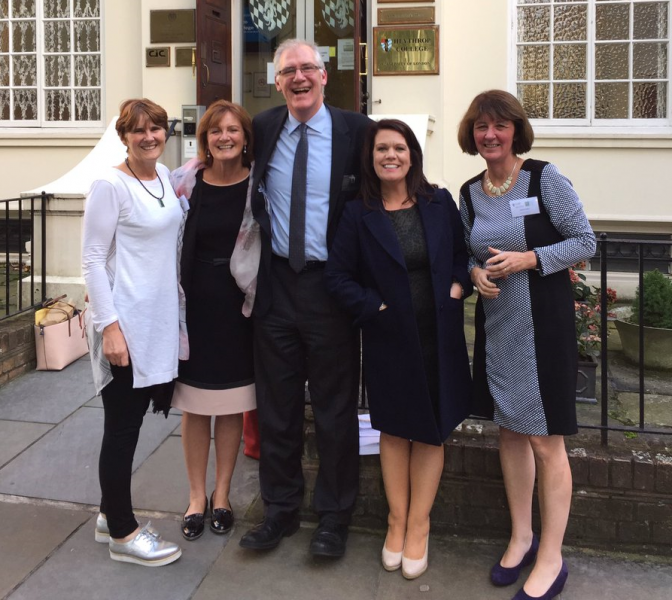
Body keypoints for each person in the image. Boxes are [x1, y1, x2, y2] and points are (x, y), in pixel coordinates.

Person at [457, 90, 596, 600]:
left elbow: (585, 239)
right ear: (471, 135)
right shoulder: (470, 191)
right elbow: (466, 252)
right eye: (480, 127)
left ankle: (552, 557)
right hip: (498, 326)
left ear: (516, 130)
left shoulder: (544, 177)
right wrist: (475, 272)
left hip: (544, 325)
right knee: (510, 433)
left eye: (499, 126)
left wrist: (527, 259)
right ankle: (521, 536)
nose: (489, 135)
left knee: (545, 440)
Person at [236, 38, 371, 558]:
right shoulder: (264, 128)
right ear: (277, 82)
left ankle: (335, 517)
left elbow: (387, 183)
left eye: (307, 68)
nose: (298, 77)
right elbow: (223, 164)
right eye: (288, 70)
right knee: (277, 407)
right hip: (275, 287)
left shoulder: (355, 131)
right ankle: (280, 510)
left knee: (336, 410)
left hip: (329, 289)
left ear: (324, 75)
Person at [324, 119, 472, 578]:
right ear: (371, 157)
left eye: (399, 147)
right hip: (389, 336)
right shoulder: (357, 213)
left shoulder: (438, 201)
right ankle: (395, 521)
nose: (391, 155)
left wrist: (456, 286)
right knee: (394, 430)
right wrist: (376, 306)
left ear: (413, 154)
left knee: (432, 429)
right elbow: (337, 278)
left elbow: (463, 255)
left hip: (438, 334)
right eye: (382, 148)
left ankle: (419, 526)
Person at [83, 98, 186, 566]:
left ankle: (110, 512)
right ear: (123, 136)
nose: (149, 137)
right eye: (139, 130)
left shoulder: (164, 177)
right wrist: (110, 329)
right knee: (122, 428)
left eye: (157, 129)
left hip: (155, 321)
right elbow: (91, 260)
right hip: (124, 323)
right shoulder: (109, 185)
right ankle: (123, 533)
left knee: (132, 422)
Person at [169, 100, 256, 541]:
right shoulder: (184, 181)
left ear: (245, 137)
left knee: (230, 404)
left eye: (233, 130)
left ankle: (222, 495)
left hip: (238, 306)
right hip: (194, 306)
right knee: (195, 405)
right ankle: (196, 496)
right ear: (205, 139)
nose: (225, 137)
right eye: (216, 131)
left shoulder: (259, 185)